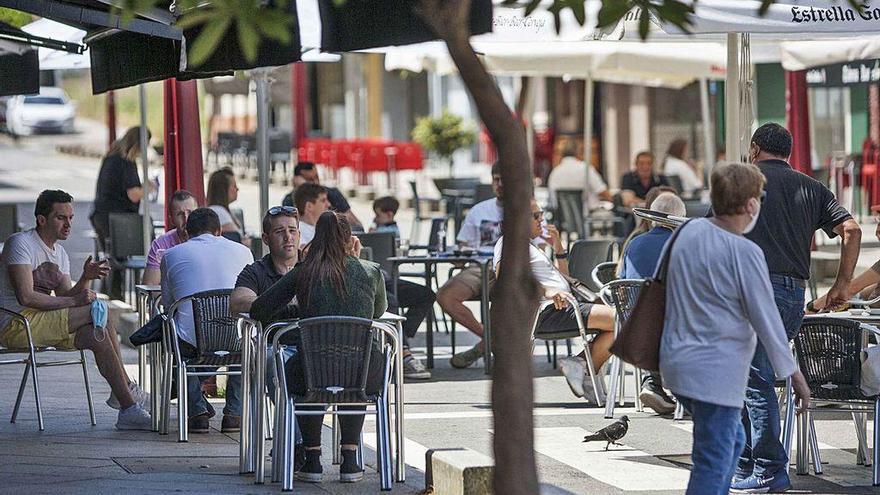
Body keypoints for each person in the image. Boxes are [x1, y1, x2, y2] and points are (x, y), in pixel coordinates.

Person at [661, 162, 811, 495]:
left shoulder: (688, 232)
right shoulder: (745, 251)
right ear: (751, 204)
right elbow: (766, 318)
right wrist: (793, 372)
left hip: (678, 362)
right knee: (713, 459)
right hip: (717, 369)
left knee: (730, 442)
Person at [732, 123, 861, 493]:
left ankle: (770, 470)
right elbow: (852, 230)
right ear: (787, 151)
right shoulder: (812, 186)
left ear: (755, 148)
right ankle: (746, 464)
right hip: (791, 294)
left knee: (752, 380)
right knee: (750, 376)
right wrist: (842, 285)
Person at [250, 212, 386, 484]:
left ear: (315, 239)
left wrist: (297, 313)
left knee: (299, 373)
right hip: (364, 373)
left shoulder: (304, 271)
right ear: (350, 240)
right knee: (355, 371)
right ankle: (349, 460)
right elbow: (379, 311)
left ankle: (312, 459)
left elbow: (260, 309)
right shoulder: (371, 271)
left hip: (312, 372)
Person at [0, 190, 151, 430]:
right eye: (61, 218)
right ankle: (126, 389)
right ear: (42, 219)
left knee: (96, 335)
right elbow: (26, 297)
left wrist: (86, 277)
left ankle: (127, 408)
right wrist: (77, 300)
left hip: (45, 322)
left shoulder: (59, 253)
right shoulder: (21, 243)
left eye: (70, 217)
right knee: (98, 309)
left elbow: (66, 297)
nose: (69, 224)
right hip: (17, 324)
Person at [495, 199, 616, 403]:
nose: (541, 220)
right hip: (547, 312)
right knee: (623, 320)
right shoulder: (509, 242)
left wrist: (558, 247)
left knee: (621, 325)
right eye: (536, 216)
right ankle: (584, 367)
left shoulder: (530, 246)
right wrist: (546, 290)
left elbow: (565, 279)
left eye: (542, 215)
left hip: (564, 306)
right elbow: (505, 277)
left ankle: (583, 366)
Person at [160, 208, 254, 434]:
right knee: (243, 345)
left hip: (193, 341)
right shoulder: (244, 252)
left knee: (175, 338)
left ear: (187, 232)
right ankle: (233, 413)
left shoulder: (171, 255)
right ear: (220, 230)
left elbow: (167, 304)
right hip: (235, 338)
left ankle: (197, 413)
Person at [618, 192, 686, 414]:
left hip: (633, 324)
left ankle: (652, 383)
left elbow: (621, 280)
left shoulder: (634, 243)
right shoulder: (682, 244)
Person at [439, 162, 503, 369]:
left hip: (515, 268)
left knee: (516, 300)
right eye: (496, 180)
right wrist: (459, 254)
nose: (500, 184)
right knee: (445, 296)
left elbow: (539, 247)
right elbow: (463, 246)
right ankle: (492, 341)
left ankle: (480, 348)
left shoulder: (529, 210)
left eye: (505, 180)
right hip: (480, 265)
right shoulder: (479, 210)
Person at [90, 126, 149, 300]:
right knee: (118, 262)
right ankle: (116, 299)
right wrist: (148, 187)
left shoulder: (111, 157)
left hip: (101, 216)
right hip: (118, 220)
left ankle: (109, 297)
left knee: (111, 261)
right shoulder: (126, 162)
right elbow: (133, 194)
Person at [282, 161, 364, 231]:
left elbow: (355, 224)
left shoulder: (332, 193)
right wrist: (303, 191)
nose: (315, 182)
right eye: (309, 180)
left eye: (316, 178)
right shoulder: (289, 200)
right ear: (296, 181)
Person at [142, 190, 198, 285]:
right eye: (180, 214)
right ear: (171, 219)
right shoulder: (161, 244)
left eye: (190, 212)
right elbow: (150, 285)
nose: (186, 219)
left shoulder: (208, 240)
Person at [546, 141, 612, 211]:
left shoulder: (554, 173)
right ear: (578, 153)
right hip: (589, 218)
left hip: (563, 219)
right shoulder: (586, 169)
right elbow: (604, 193)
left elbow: (552, 201)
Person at [206, 167, 249, 246]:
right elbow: (235, 240)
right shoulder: (219, 212)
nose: (237, 189)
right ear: (224, 190)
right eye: (234, 186)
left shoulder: (222, 211)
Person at [293, 182, 330, 247]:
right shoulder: (297, 233)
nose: (328, 204)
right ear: (309, 206)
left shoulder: (322, 229)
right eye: (323, 200)